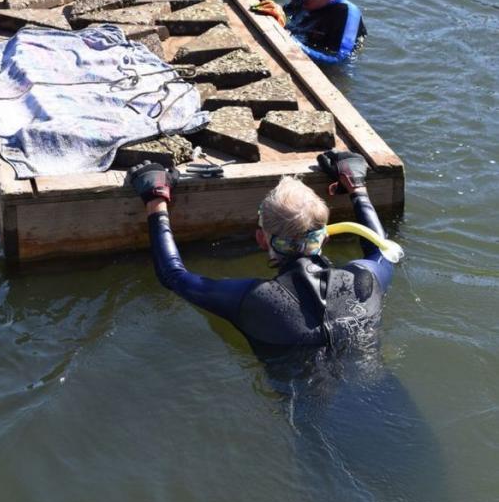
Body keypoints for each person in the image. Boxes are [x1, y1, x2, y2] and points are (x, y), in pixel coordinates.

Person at [130, 151, 394, 352]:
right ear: (325, 236)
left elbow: (173, 275)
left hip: (309, 412)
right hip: (385, 401)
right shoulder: (364, 279)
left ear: (261, 239)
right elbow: (383, 250)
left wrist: (156, 198)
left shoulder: (253, 299)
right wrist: (356, 186)